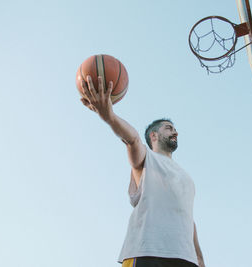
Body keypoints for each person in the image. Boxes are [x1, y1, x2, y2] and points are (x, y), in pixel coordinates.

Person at [80, 76, 205, 267]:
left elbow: (189, 220)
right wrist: (110, 117)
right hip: (147, 251)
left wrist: (200, 259)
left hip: (185, 258)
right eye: (168, 128)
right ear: (154, 135)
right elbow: (132, 140)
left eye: (175, 129)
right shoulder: (146, 159)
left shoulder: (186, 177)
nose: (175, 132)